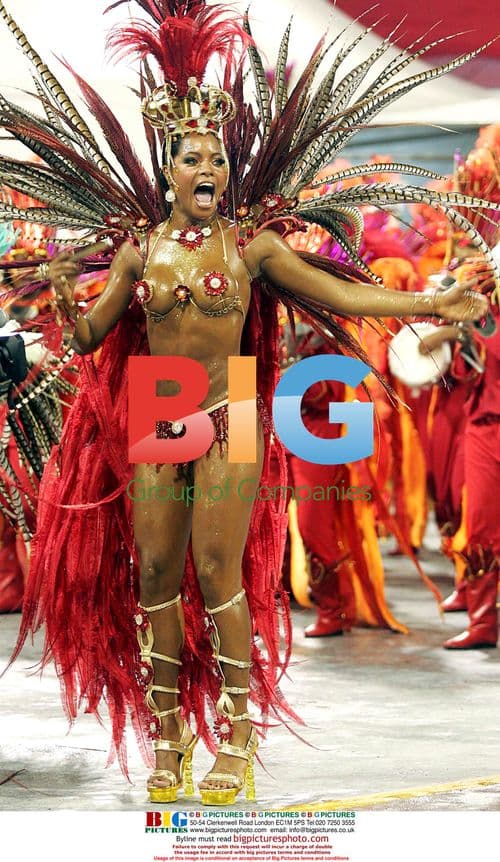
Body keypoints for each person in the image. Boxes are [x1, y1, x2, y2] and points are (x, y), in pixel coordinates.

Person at [1, 0, 493, 806]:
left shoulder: (254, 246)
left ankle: (235, 732)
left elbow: (342, 292)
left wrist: (432, 308)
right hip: (162, 398)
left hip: (227, 401)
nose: (208, 172)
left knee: (215, 570)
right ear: (170, 169)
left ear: (227, 171)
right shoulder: (138, 251)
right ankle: (171, 738)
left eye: (217, 161)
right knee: (155, 572)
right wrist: (62, 302)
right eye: (193, 159)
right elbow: (88, 339)